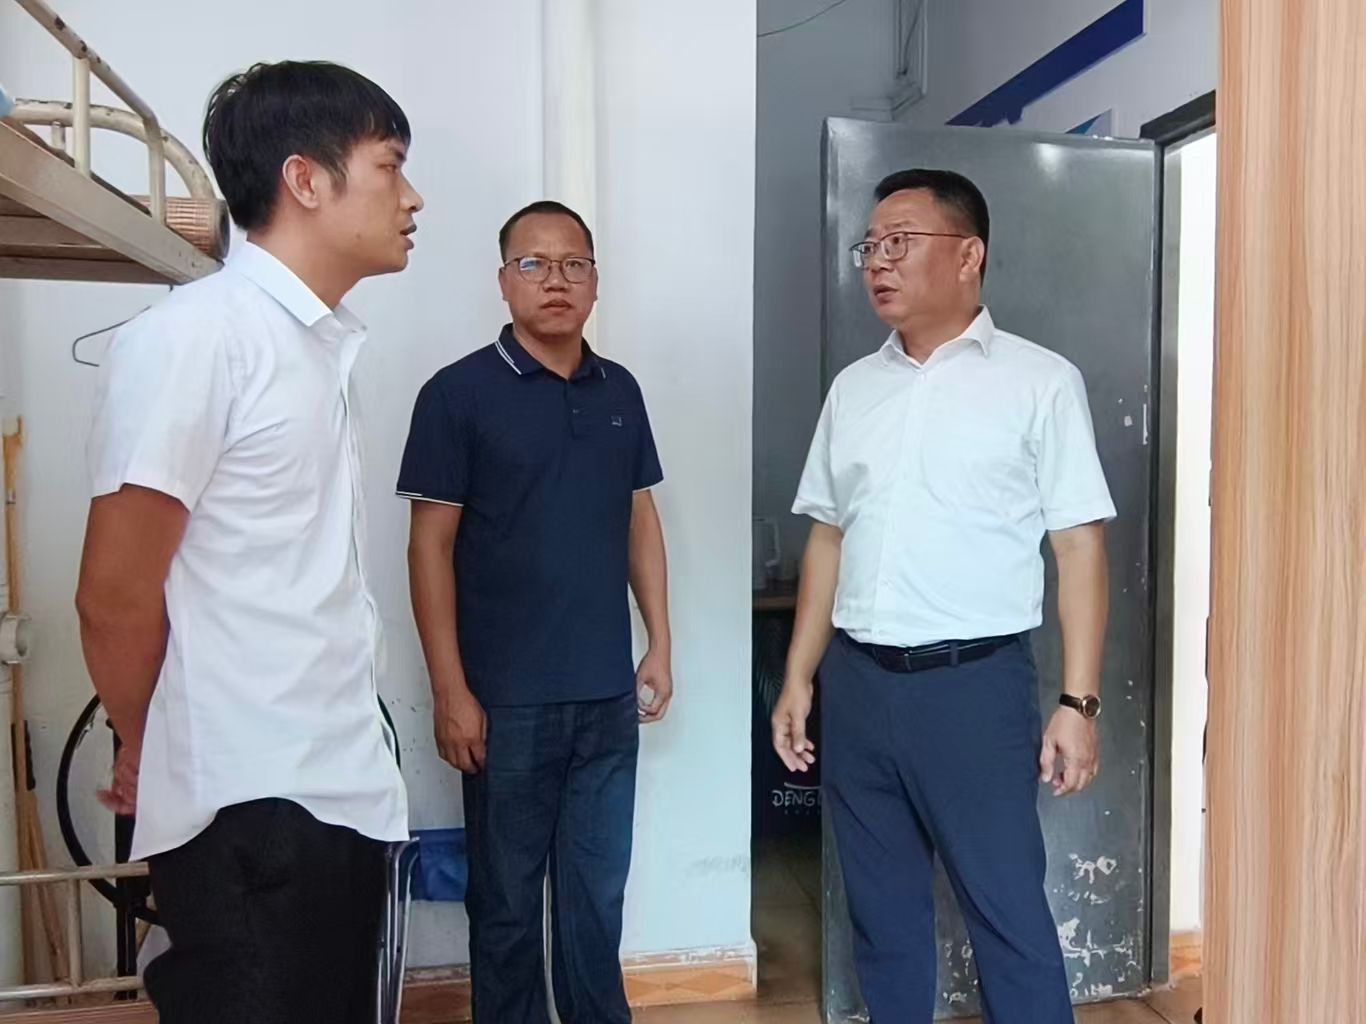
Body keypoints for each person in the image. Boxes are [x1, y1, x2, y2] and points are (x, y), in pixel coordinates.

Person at [75, 60, 424, 1024]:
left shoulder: (315, 347)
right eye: (390, 166)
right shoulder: (195, 339)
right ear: (305, 179)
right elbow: (112, 593)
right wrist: (151, 740)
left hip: (333, 782)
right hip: (248, 803)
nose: (412, 197)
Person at [771, 168, 1114, 1023]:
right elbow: (828, 535)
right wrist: (800, 675)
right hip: (860, 687)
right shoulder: (855, 388)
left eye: (900, 243)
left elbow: (1079, 546)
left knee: (1007, 914)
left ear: (969, 255)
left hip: (973, 691)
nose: (877, 262)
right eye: (870, 247)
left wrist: (1078, 702)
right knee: (881, 921)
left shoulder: (1040, 382)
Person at [398, 200, 673, 1024]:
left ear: (595, 281)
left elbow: (639, 517)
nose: (556, 280)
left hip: (605, 697)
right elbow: (428, 548)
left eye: (573, 264)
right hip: (503, 704)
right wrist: (450, 690)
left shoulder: (619, 390)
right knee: (508, 907)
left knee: (596, 902)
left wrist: (659, 642)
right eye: (534, 263)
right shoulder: (457, 394)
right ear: (503, 280)